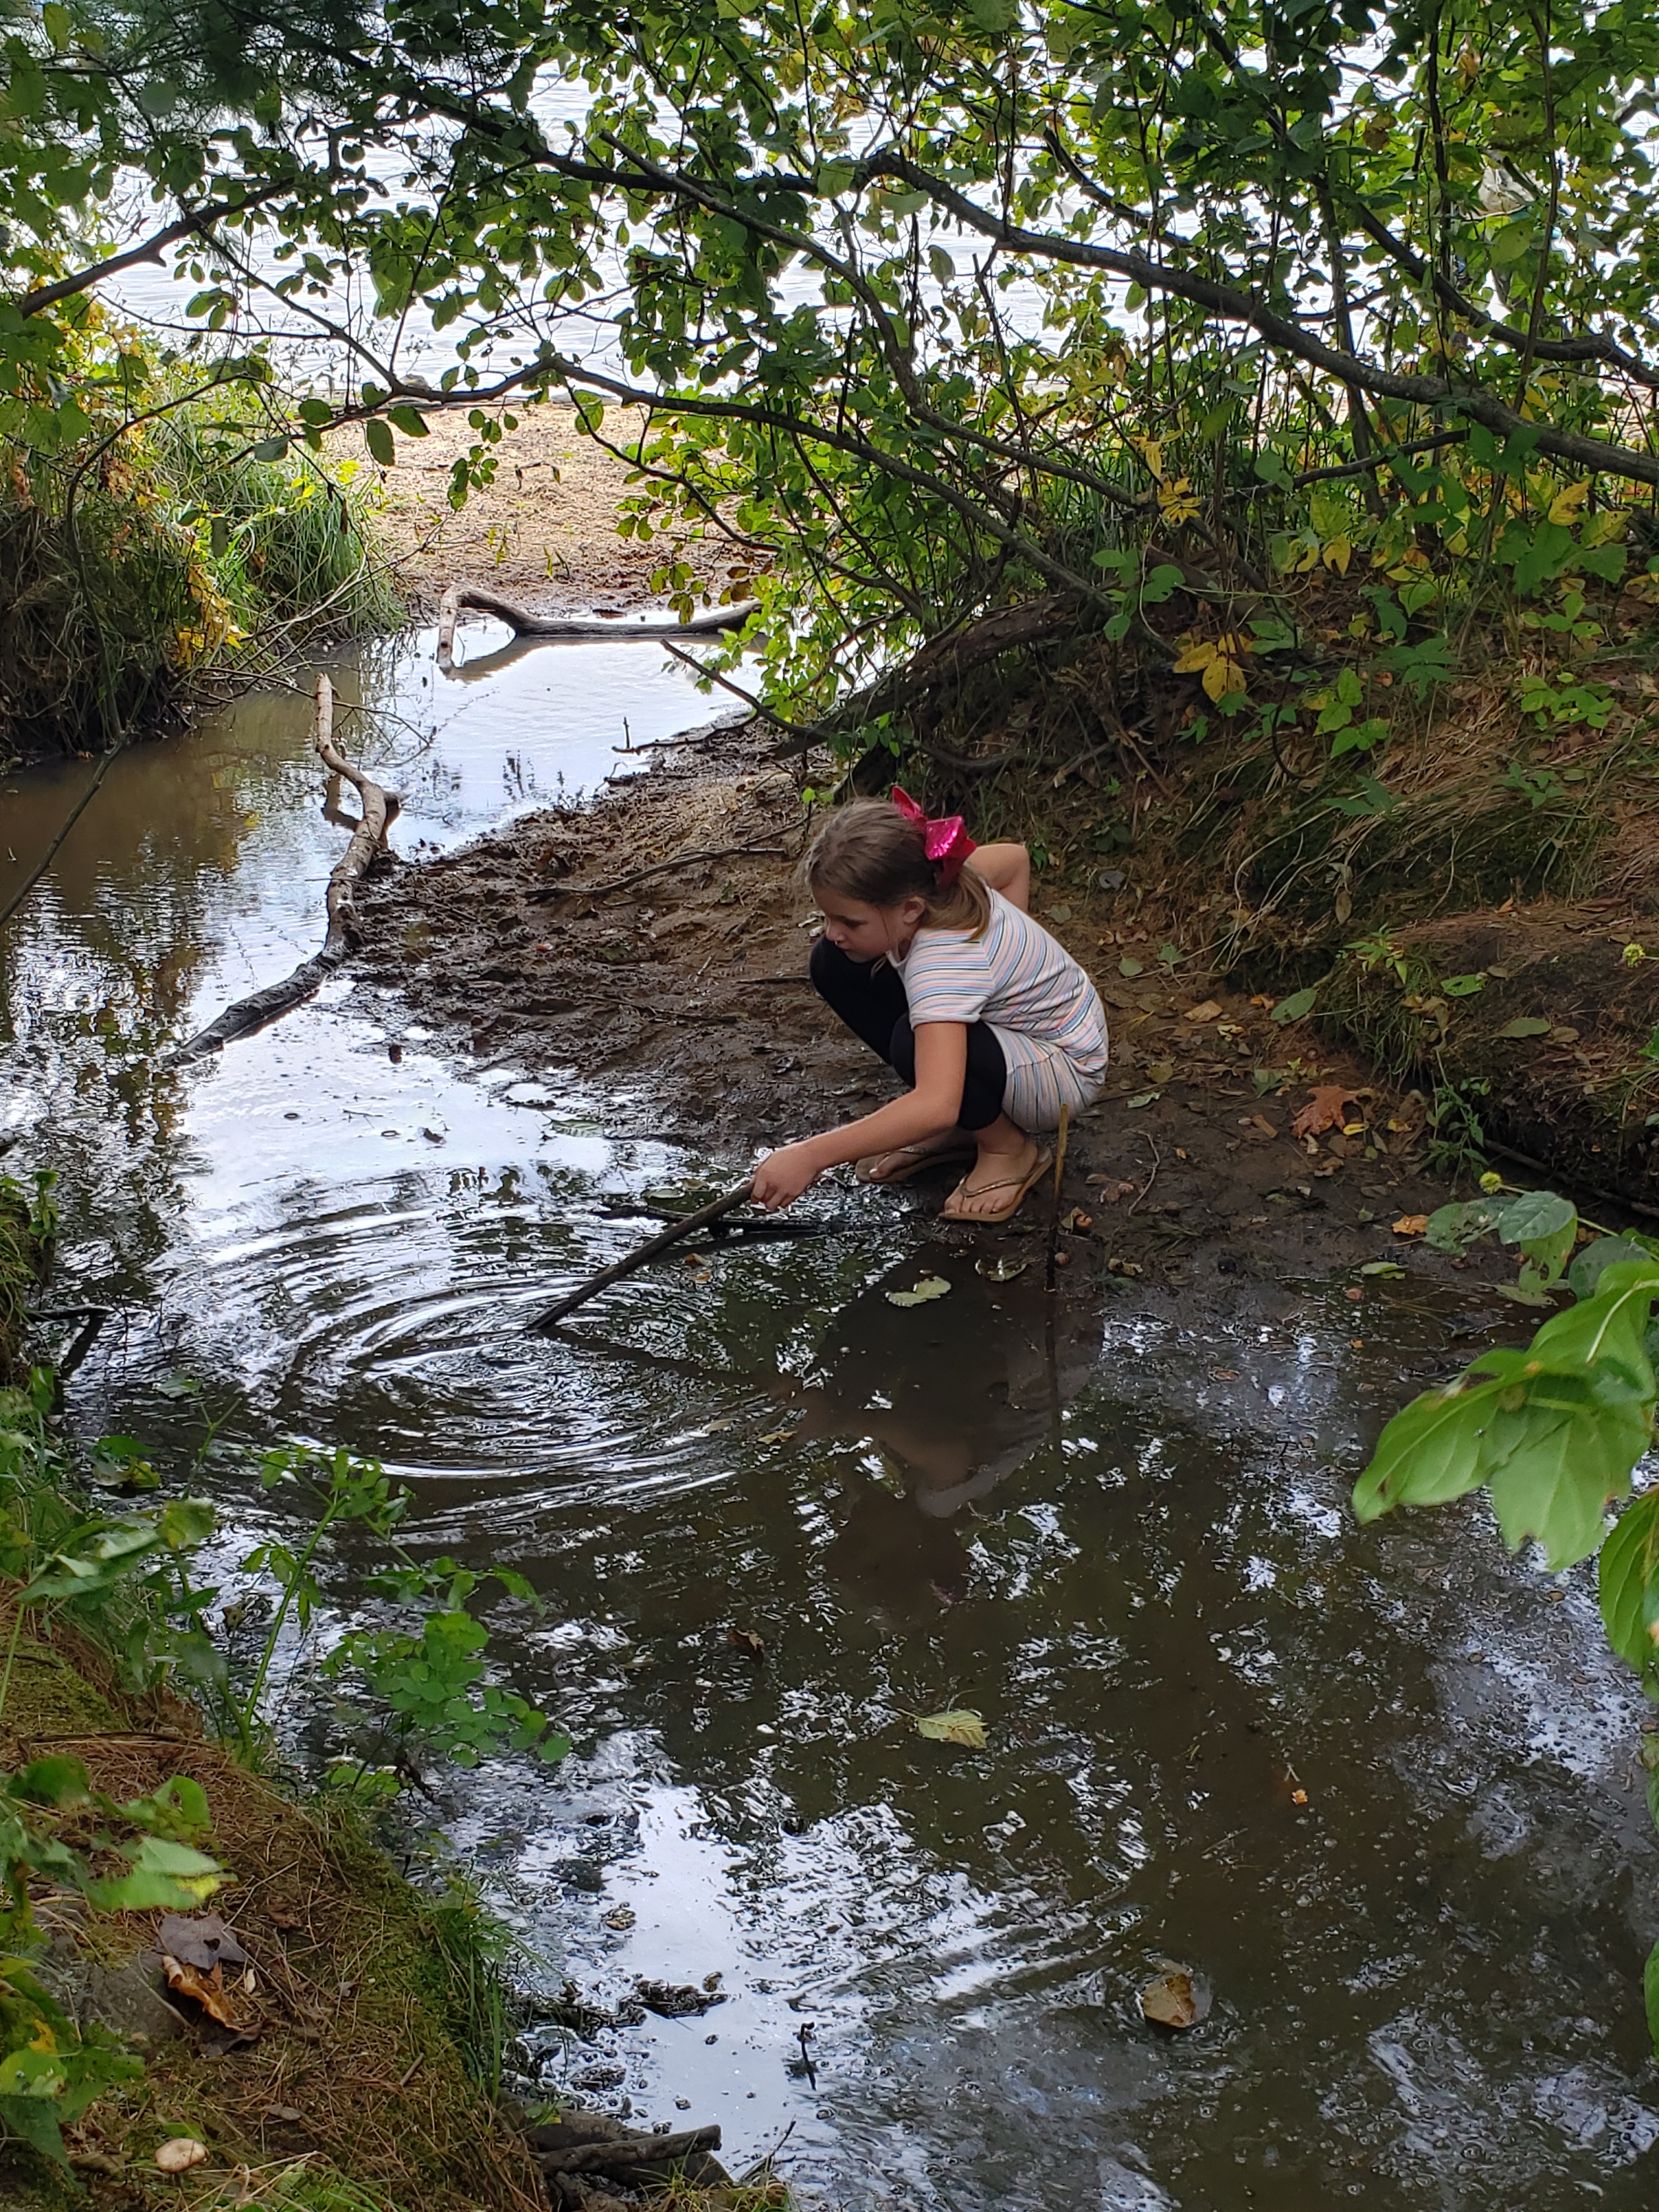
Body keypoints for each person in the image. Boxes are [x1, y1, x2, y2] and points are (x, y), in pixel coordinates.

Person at [750, 788, 1110, 1222]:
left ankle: (1008, 1149)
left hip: (1065, 1070)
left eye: (850, 921)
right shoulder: (941, 878)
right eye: (829, 917)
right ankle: (971, 1121)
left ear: (910, 910)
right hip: (1023, 1039)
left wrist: (810, 1155)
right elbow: (1015, 860)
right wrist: (1000, 970)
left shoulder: (942, 961)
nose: (833, 931)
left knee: (911, 1043)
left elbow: (935, 1102)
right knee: (833, 963)